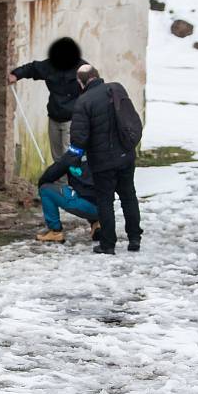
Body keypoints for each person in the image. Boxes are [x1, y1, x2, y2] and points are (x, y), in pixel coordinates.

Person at [69, 65, 143, 254]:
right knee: (128, 196)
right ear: (97, 76)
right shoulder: (117, 88)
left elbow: (79, 139)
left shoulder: (83, 102)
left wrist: (74, 161)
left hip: (103, 162)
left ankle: (108, 244)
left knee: (105, 201)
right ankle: (134, 238)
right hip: (126, 155)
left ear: (81, 82)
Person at [9, 37, 88, 161]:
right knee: (57, 156)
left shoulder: (83, 68)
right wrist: (16, 74)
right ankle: (59, 180)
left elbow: (94, 86)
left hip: (73, 119)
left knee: (69, 155)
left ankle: (72, 180)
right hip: (54, 117)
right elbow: (33, 68)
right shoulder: (51, 65)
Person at [36, 151, 101, 243]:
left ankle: (55, 232)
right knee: (92, 192)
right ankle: (98, 223)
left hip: (84, 205)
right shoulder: (104, 152)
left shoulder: (72, 155)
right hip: (105, 208)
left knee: (45, 189)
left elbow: (49, 176)